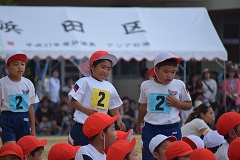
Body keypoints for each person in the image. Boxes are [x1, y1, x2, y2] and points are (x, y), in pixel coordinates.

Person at [136, 51, 192, 159]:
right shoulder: (146, 85)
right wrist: (139, 123)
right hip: (150, 127)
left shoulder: (179, 84)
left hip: (171, 127)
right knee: (149, 155)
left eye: (173, 72)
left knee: (173, 156)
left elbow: (189, 105)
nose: (169, 75)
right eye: (166, 71)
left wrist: (178, 103)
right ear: (156, 70)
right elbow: (143, 107)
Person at [68, 50, 125, 146]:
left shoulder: (109, 86)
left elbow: (113, 106)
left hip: (100, 129)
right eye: (103, 67)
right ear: (91, 66)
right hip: (82, 126)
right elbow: (73, 100)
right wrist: (86, 111)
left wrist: (118, 120)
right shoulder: (84, 82)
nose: (105, 71)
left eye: (109, 69)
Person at [0, 50, 39, 144]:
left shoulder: (28, 83)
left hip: (24, 118)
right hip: (7, 117)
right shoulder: (2, 83)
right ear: (7, 66)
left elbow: (30, 107)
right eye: (15, 64)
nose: (20, 67)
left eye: (22, 64)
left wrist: (33, 130)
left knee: (24, 148)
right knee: (10, 149)